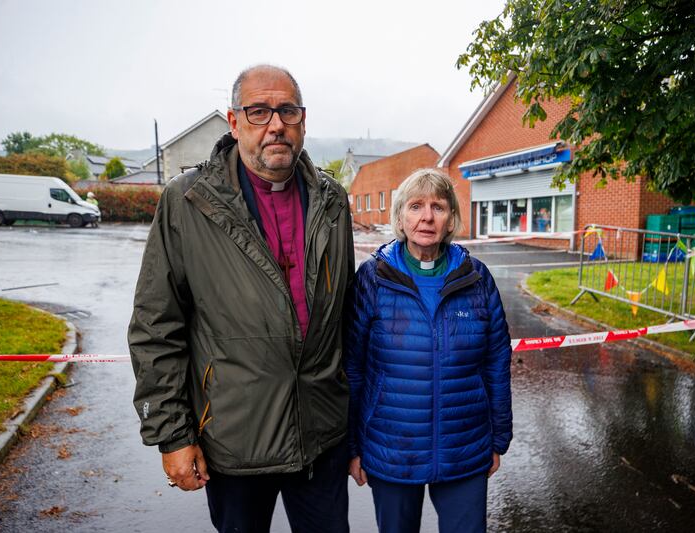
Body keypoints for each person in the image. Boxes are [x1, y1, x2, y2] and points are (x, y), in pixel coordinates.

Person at [128, 64, 354, 533]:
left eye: (287, 111)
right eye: (258, 112)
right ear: (234, 122)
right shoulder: (188, 202)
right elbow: (156, 326)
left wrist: (354, 425)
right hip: (234, 444)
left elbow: (345, 318)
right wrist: (172, 435)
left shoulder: (332, 200)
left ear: (303, 121)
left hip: (321, 439)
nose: (275, 125)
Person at [345, 168, 513, 533]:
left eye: (438, 207)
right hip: (392, 450)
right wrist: (352, 445)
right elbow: (353, 368)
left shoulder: (477, 277)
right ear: (400, 217)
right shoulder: (373, 279)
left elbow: (496, 361)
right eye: (416, 206)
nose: (426, 217)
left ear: (451, 217)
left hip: (464, 448)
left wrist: (499, 436)